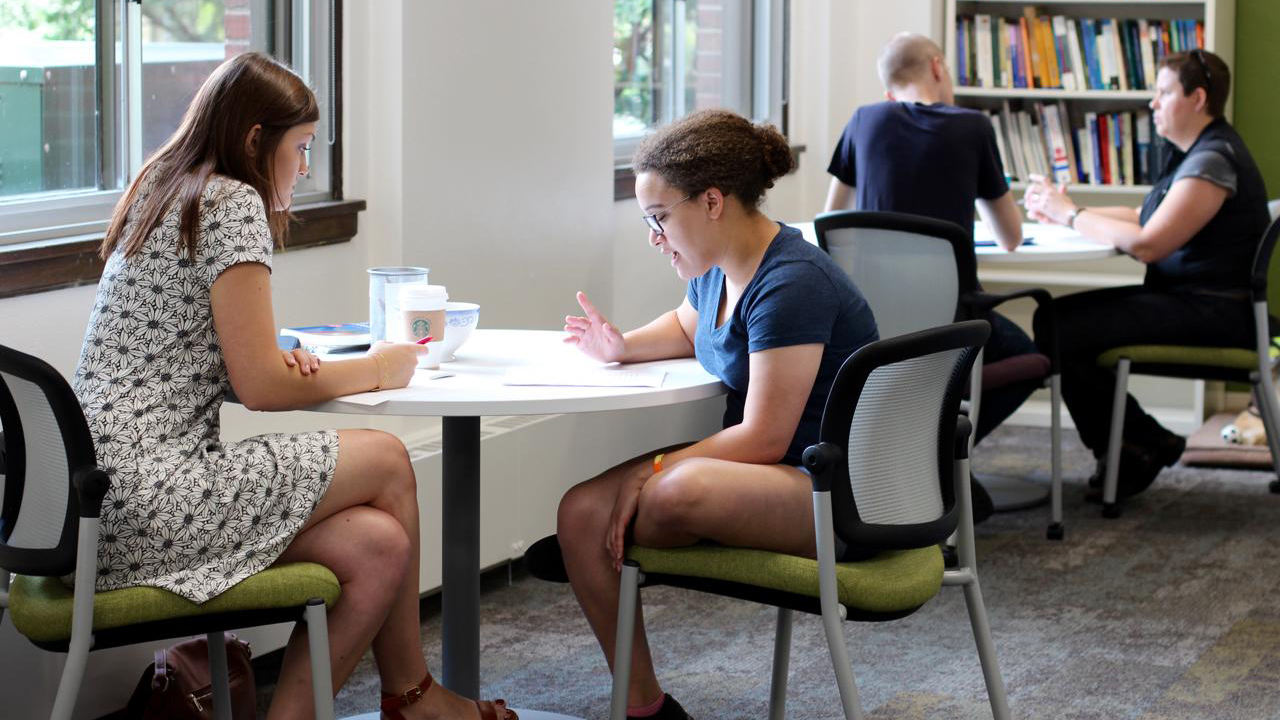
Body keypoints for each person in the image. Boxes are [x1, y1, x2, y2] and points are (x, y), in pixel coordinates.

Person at [72, 53, 515, 720]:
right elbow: (263, 390)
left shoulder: (164, 186)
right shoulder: (231, 201)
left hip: (98, 503)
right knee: (389, 458)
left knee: (378, 545)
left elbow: (176, 344)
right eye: (300, 148)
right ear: (256, 141)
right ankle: (414, 698)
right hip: (155, 494)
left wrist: (272, 351)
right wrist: (379, 367)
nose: (304, 168)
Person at [554, 109, 878, 719]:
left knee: (676, 489)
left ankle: (631, 521)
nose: (652, 237)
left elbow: (762, 436)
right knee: (580, 514)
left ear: (711, 202)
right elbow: (688, 326)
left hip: (833, 493)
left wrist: (647, 469)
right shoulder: (718, 267)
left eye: (658, 219)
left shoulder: (791, 283)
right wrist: (622, 345)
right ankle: (644, 707)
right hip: (773, 475)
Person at [1023, 49, 1269, 501]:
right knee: (1056, 322)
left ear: (1197, 98)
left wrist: (1073, 213)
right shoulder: (1200, 153)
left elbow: (1148, 244)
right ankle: (1137, 442)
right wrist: (1061, 214)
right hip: (1195, 303)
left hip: (1213, 312)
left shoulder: (1213, 162)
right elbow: (1143, 215)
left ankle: (1139, 443)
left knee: (1056, 324)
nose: (1152, 103)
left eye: (1162, 92)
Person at [822, 31, 1038, 517]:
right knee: (1029, 356)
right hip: (949, 323)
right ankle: (938, 459)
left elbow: (832, 224)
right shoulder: (972, 126)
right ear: (938, 67)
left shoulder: (864, 119)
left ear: (888, 92)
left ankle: (912, 458)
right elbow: (1009, 237)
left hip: (872, 325)